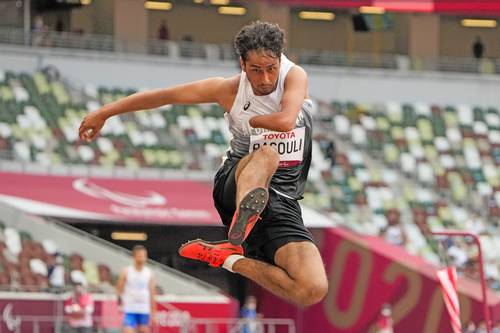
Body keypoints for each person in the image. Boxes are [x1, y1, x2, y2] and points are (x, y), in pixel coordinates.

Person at [78, 21, 328, 306]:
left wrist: (256, 122)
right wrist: (105, 112)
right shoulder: (228, 90)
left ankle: (228, 258)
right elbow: (163, 96)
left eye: (271, 68)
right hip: (235, 184)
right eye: (256, 70)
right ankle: (244, 217)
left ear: (280, 59)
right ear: (242, 64)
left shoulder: (294, 76)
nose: (265, 79)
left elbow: (284, 121)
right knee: (268, 154)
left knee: (312, 289)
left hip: (282, 199)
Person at [116, 245, 156, 333]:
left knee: (144, 330)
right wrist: (120, 304)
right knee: (128, 331)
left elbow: (152, 294)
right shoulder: (126, 272)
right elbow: (119, 290)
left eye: (143, 256)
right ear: (134, 257)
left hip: (143, 309)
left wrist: (153, 313)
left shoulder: (149, 273)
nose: (142, 258)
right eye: (140, 255)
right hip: (130, 308)